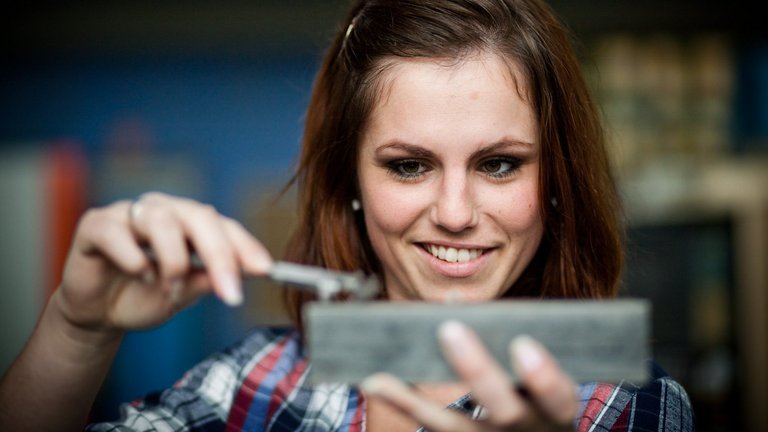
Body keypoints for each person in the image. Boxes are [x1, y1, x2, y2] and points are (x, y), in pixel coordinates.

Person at [0, 0, 694, 430]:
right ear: (351, 182)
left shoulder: (627, 403)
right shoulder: (259, 382)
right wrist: (77, 326)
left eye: (499, 163)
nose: (454, 213)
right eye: (408, 165)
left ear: (556, 182)